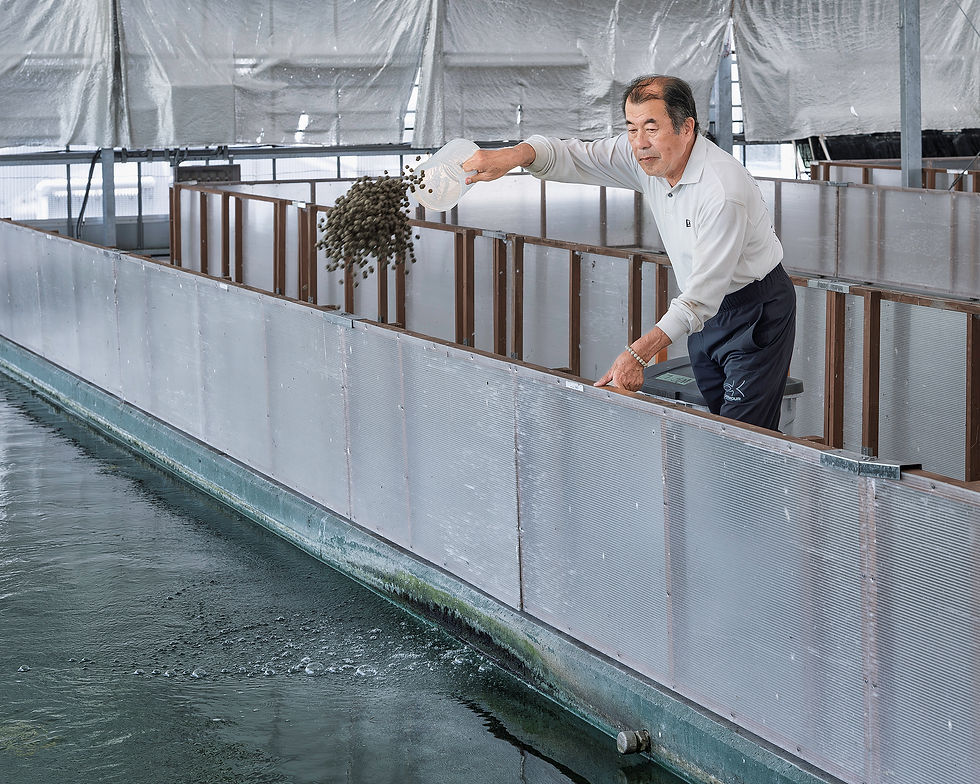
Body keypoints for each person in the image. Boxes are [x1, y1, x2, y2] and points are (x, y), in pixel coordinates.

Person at [461, 74, 796, 431]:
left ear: (687, 127)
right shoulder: (646, 158)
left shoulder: (721, 190)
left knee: (743, 437)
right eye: (632, 129)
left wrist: (637, 354)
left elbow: (701, 297)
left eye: (651, 128)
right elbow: (574, 155)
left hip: (753, 310)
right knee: (720, 426)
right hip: (704, 315)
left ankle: (761, 485)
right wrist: (513, 156)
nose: (639, 144)